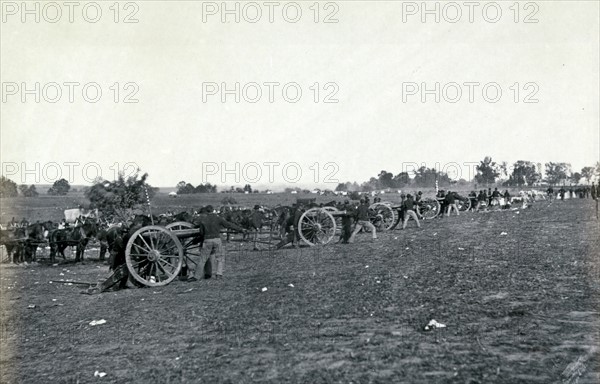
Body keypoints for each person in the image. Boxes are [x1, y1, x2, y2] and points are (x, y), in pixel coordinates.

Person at [189, 205, 247, 281]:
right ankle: (219, 274)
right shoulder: (218, 218)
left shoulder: (203, 220)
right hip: (217, 240)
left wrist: (195, 241)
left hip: (207, 240)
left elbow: (201, 233)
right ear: (213, 210)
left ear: (206, 211)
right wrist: (240, 229)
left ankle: (196, 277)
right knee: (220, 258)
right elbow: (229, 225)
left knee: (202, 259)